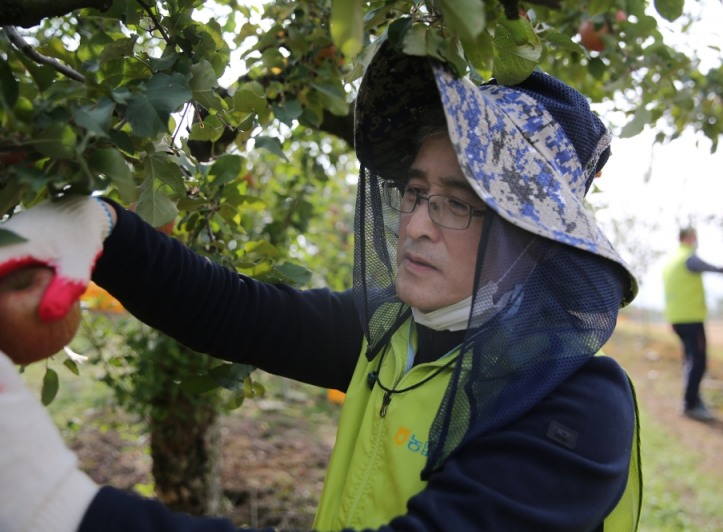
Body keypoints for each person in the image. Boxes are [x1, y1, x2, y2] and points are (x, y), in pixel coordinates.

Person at [0, 42, 642, 531]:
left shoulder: (573, 406)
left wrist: (66, 509)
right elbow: (236, 311)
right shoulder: (393, 332)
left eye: (457, 205)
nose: (415, 225)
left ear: (529, 240)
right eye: (417, 192)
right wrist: (105, 227)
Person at [662, 227, 723, 422]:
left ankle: (693, 399)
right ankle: (690, 404)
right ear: (689, 238)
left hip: (676, 320)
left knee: (689, 360)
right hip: (691, 319)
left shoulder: (670, 261)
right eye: (695, 237)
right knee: (698, 361)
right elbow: (715, 268)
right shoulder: (688, 258)